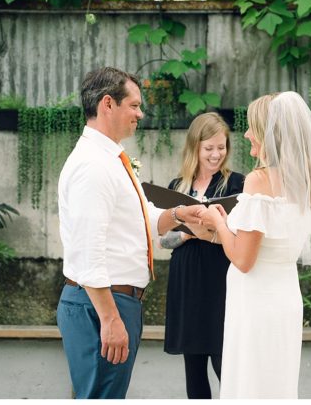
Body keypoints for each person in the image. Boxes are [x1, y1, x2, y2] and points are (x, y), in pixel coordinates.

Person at [56, 66, 200, 398]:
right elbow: (87, 250)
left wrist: (179, 214)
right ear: (108, 104)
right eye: (134, 105)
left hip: (115, 303)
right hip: (101, 306)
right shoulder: (93, 166)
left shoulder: (110, 158)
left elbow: (140, 220)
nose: (140, 113)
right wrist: (109, 319)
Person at [190, 91, 311, 398]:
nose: (245, 134)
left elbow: (244, 260)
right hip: (285, 296)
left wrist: (217, 220)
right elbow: (271, 240)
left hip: (255, 301)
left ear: (269, 133)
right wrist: (220, 230)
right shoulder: (305, 178)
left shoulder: (258, 180)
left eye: (252, 127)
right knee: (277, 386)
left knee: (250, 385)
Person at [160, 112, 245, 398]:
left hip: (221, 283)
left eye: (221, 148)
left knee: (226, 366)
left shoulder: (237, 184)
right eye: (209, 148)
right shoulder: (177, 186)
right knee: (193, 368)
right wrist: (189, 232)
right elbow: (164, 240)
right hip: (187, 284)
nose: (216, 154)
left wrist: (202, 231)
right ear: (195, 147)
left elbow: (240, 238)